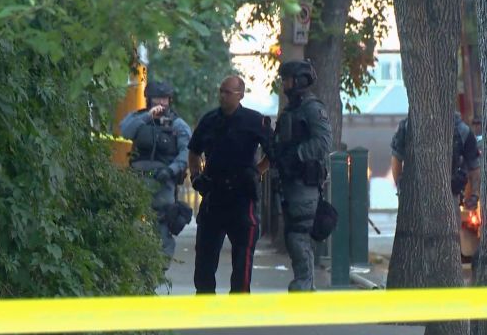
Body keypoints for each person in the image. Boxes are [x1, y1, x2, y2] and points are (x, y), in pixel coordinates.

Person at [188, 75, 271, 294]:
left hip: (242, 196)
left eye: (228, 92)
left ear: (240, 95)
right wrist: (195, 175)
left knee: (243, 254)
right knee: (205, 253)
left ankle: (239, 300)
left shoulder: (254, 121)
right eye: (221, 91)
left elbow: (274, 153)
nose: (223, 96)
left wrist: (256, 172)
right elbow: (194, 150)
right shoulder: (209, 120)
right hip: (214, 194)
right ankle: (204, 298)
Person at [272, 60, 332, 292]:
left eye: (286, 79)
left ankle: (304, 283)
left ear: (299, 80)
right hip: (290, 180)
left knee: (298, 233)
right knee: (293, 233)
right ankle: (303, 282)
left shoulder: (311, 108)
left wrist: (295, 155)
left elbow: (323, 142)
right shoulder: (292, 109)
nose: (284, 84)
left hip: (304, 181)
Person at [120, 80, 192, 263]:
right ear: (149, 100)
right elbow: (125, 131)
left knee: (162, 223)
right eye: (157, 99)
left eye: (165, 99)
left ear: (170, 100)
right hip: (137, 180)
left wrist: (171, 170)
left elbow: (186, 152)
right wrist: (147, 117)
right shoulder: (138, 119)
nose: (161, 103)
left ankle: (159, 266)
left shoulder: (178, 125)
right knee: (132, 221)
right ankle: (134, 263)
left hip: (163, 181)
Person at [390, 112, 481, 210]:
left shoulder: (462, 130)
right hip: (418, 195)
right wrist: (401, 190)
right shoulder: (408, 126)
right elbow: (396, 158)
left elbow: (474, 166)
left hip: (449, 194)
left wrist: (474, 196)